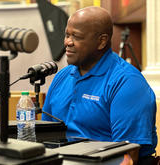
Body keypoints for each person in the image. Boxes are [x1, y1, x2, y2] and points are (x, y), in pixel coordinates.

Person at [42, 6, 157, 164]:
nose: (68, 42)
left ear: (101, 41)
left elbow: (128, 157)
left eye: (76, 36)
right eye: (67, 35)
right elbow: (44, 136)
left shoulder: (127, 82)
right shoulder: (62, 76)